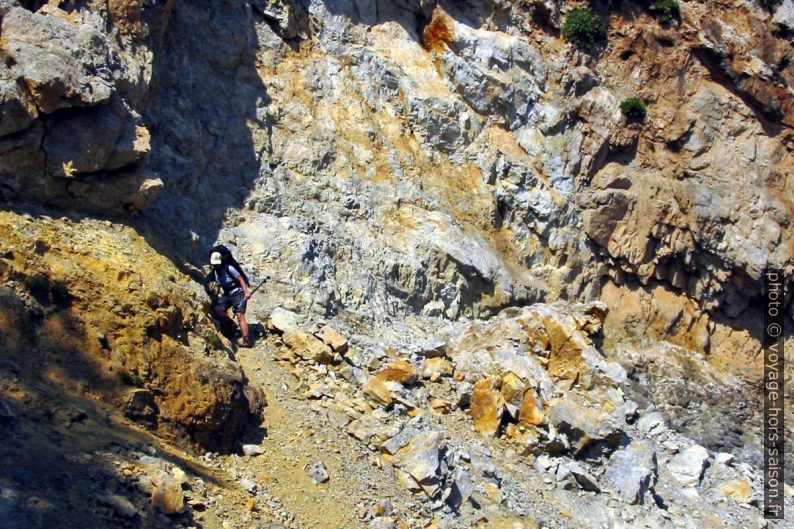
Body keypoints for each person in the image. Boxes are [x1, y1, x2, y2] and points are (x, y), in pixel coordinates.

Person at [204, 250, 253, 347]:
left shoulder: (229, 268)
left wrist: (246, 292)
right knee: (217, 309)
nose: (216, 266)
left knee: (240, 315)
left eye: (217, 264)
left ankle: (246, 340)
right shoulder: (214, 273)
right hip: (227, 294)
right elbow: (206, 281)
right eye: (214, 264)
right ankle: (231, 323)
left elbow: (241, 280)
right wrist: (209, 291)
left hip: (239, 293)